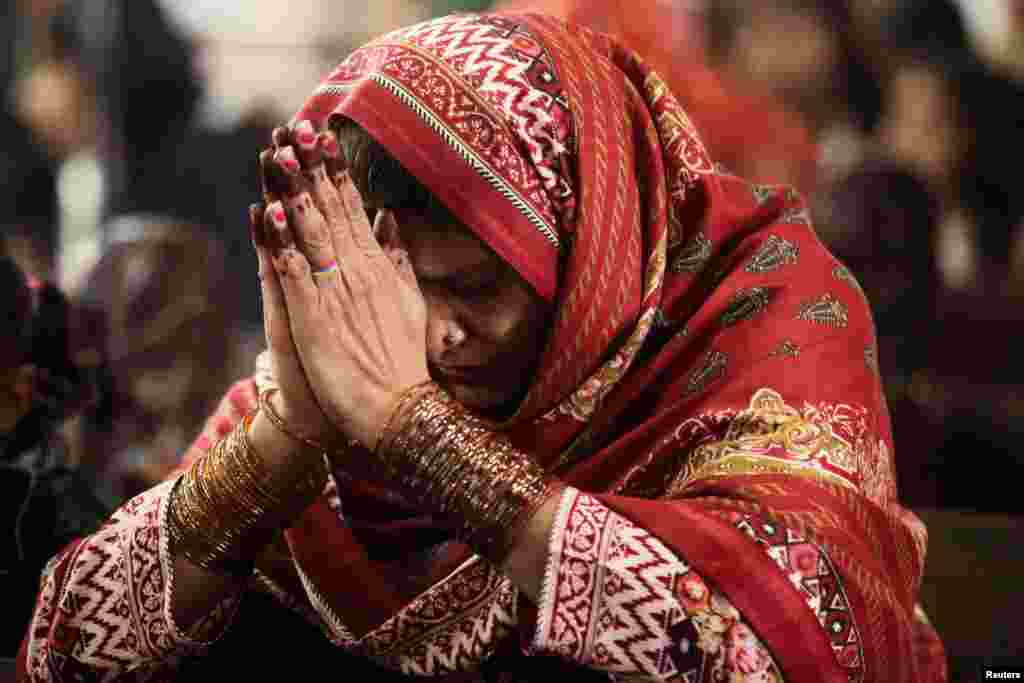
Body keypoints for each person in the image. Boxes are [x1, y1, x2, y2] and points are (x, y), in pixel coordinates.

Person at [18, 12, 945, 681]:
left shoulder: (758, 321)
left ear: (594, 255)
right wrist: (289, 435)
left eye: (470, 286)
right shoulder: (350, 356)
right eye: (393, 288)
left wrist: (410, 431)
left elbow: (770, 655)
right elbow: (64, 650)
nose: (422, 336)